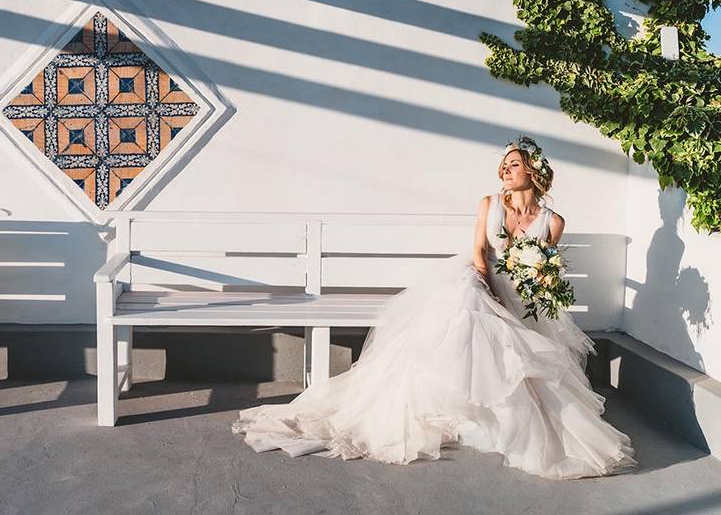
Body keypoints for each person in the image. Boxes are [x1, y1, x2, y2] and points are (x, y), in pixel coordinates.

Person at [232, 136, 637, 480]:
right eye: (503, 166)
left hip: (520, 295)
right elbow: (480, 251)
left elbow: (543, 267)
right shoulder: (489, 203)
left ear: (534, 169)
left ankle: (495, 416)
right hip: (480, 279)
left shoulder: (552, 220)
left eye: (514, 164)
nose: (505, 172)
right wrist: (490, 287)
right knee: (468, 302)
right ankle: (453, 401)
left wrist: (537, 283)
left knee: (517, 345)